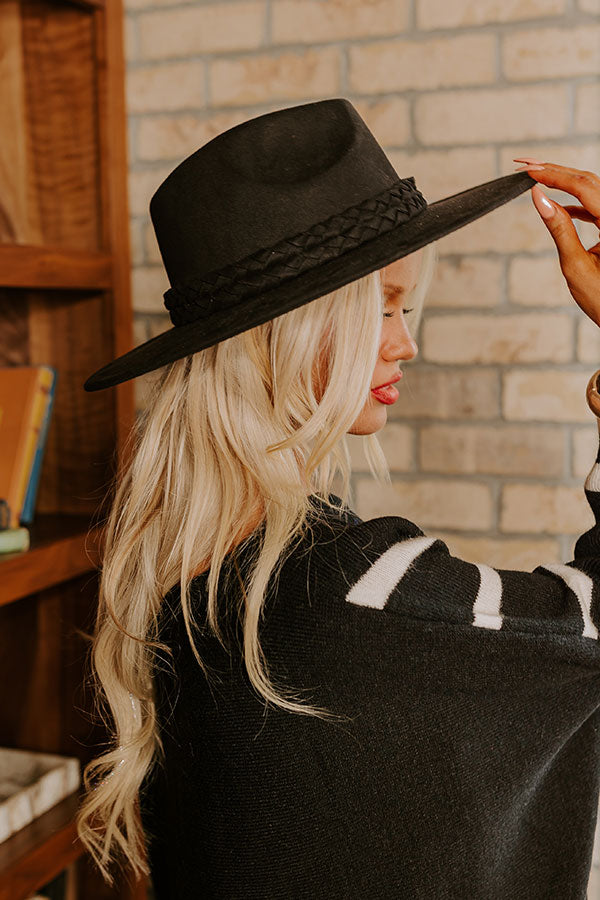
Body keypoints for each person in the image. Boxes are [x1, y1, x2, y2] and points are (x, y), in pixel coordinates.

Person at [76, 99, 600, 898]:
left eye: (405, 308)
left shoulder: (182, 562)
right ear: (284, 333)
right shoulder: (356, 586)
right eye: (381, 306)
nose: (406, 342)